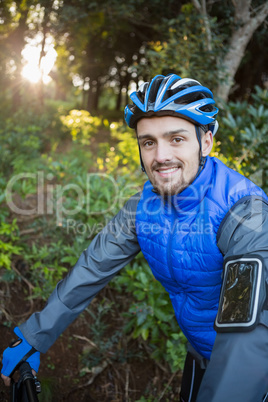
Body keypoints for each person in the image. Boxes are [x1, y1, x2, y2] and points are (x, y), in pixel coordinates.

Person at [1, 73, 268, 402]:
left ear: (207, 142)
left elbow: (247, 333)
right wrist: (34, 336)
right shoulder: (145, 207)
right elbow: (92, 268)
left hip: (253, 371)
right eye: (148, 142)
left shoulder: (245, 212)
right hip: (201, 355)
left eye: (177, 139)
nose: (161, 156)